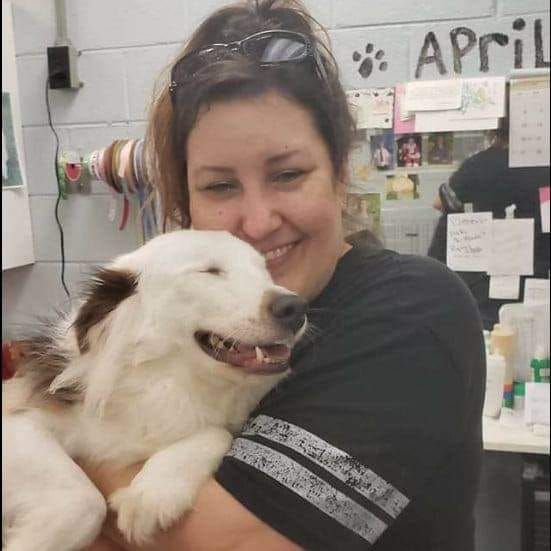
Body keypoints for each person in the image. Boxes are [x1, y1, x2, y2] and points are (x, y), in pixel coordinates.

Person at [86, 1, 485, 550]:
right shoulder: (193, 330)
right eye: (220, 186)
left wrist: (79, 461)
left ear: (341, 175)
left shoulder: (413, 313)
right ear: (186, 204)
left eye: (289, 174)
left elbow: (225, 543)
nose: (257, 221)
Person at [428, 122, 550, 330]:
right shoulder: (543, 166)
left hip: (484, 272)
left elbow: (439, 203)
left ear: (494, 130)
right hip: (535, 272)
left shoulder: (478, 164)